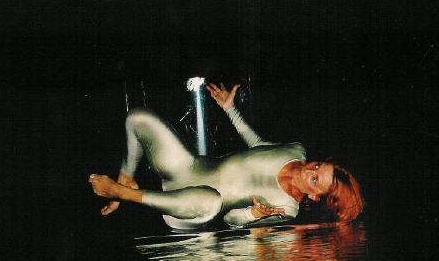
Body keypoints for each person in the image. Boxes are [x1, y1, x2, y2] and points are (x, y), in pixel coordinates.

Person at [88, 83, 364, 230]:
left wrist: (254, 214)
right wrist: (230, 109)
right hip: (188, 167)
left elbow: (231, 220)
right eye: (317, 165)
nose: (309, 170)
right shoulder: (296, 150)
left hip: (192, 208)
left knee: (211, 202)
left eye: (315, 180)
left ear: (315, 196)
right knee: (139, 116)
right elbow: (257, 145)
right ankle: (125, 179)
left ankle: (124, 194)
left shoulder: (286, 208)